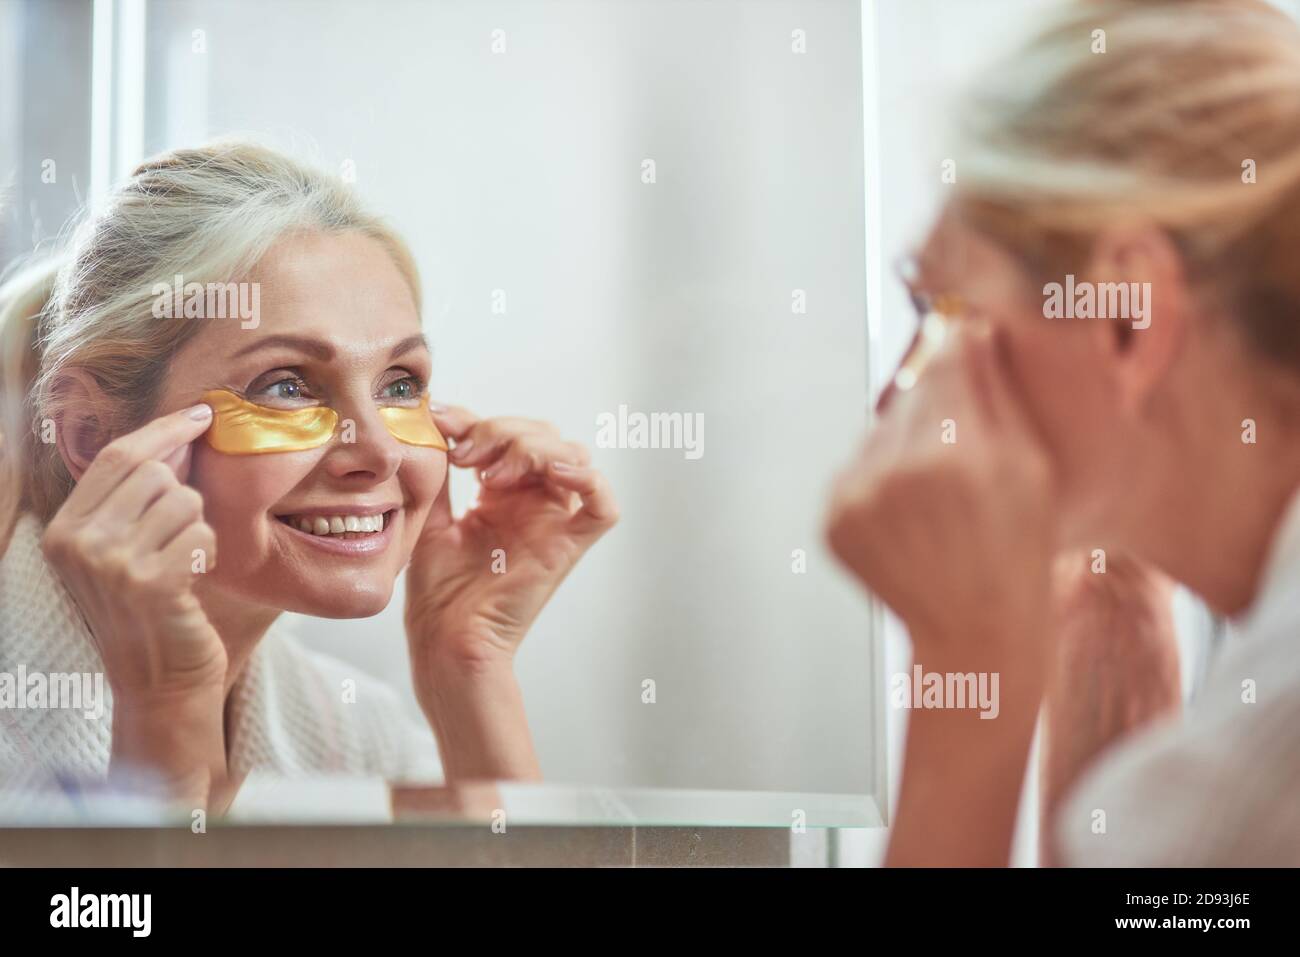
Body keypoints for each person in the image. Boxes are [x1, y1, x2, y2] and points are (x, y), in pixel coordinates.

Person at [0, 142, 618, 812]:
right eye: (287, 385)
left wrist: (470, 667)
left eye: (399, 383)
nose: (378, 451)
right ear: (92, 433)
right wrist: (166, 709)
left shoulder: (345, 730)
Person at [826, 0, 1300, 865]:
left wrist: (967, 674)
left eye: (944, 311)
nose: (897, 401)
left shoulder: (1257, 771)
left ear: (1126, 315)